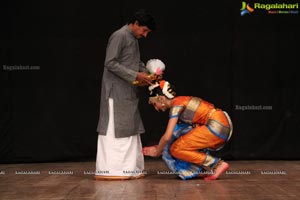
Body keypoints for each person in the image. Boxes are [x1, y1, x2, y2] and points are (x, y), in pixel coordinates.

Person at [95, 9, 156, 180]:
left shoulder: (133, 39)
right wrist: (136, 75)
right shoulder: (119, 35)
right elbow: (110, 63)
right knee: (116, 127)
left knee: (130, 128)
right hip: (115, 91)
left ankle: (130, 169)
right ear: (135, 23)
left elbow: (135, 62)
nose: (145, 35)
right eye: (144, 30)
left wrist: (149, 74)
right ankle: (113, 170)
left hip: (128, 90)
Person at [143, 80, 233, 180]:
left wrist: (158, 151)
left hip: (216, 126)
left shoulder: (176, 105)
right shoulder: (181, 100)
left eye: (154, 104)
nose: (156, 108)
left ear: (161, 98)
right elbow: (174, 134)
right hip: (219, 124)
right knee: (179, 138)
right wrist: (160, 146)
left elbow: (167, 136)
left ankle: (216, 164)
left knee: (176, 149)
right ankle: (198, 170)